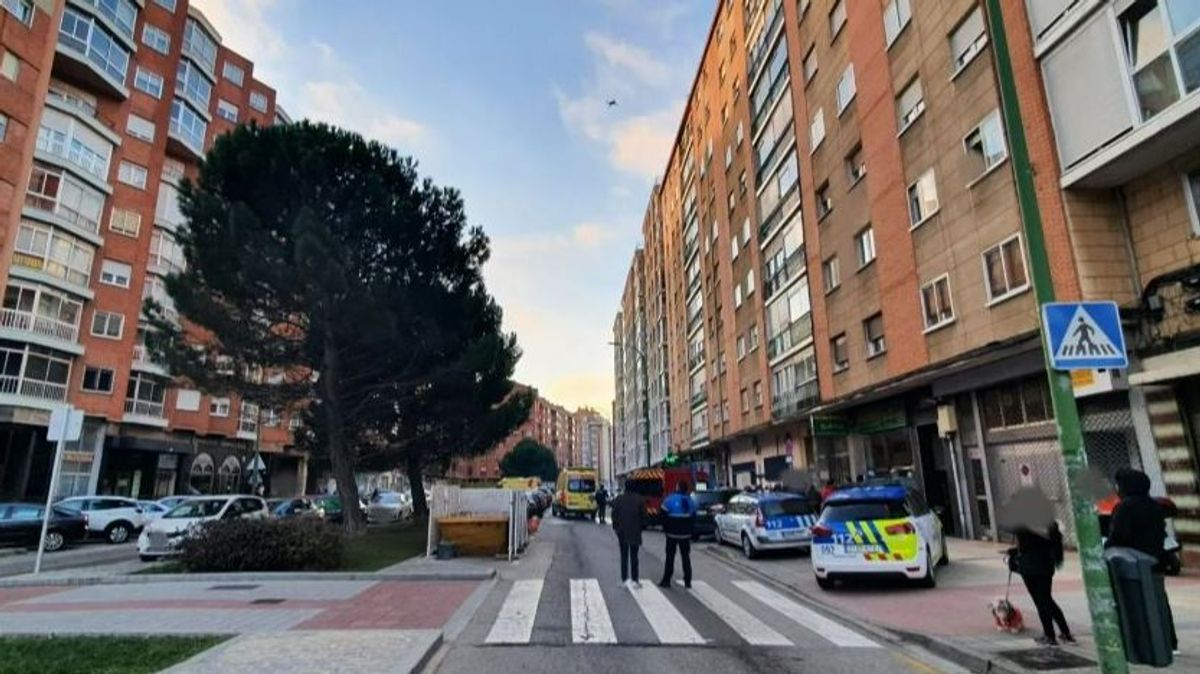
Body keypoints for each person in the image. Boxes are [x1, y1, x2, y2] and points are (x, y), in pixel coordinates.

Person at [1106, 468, 1178, 653]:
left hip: (1132, 565)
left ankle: (1143, 643)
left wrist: (1107, 547)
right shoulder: (1154, 505)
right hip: (1156, 562)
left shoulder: (1125, 507)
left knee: (1136, 603)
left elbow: (1119, 536)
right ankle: (1170, 642)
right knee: (1160, 601)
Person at [1015, 520, 1074, 646]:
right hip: (1046, 564)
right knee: (1047, 599)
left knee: (1040, 601)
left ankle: (1049, 635)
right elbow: (1056, 540)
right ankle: (1065, 632)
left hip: (1030, 565)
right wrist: (1058, 559)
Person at [659, 481, 697, 589]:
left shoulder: (670, 499)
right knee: (686, 558)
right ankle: (688, 580)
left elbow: (662, 515)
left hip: (672, 534)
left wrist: (665, 529)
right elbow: (694, 517)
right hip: (685, 535)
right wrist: (691, 531)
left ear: (677, 487)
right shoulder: (690, 501)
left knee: (670, 557)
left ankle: (666, 580)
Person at [610, 486, 646, 588]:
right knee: (634, 557)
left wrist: (616, 527)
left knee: (624, 556)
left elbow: (614, 514)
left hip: (622, 532)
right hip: (635, 531)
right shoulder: (639, 499)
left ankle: (624, 579)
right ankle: (635, 580)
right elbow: (644, 516)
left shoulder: (619, 499)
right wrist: (641, 528)